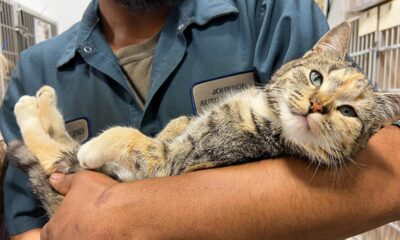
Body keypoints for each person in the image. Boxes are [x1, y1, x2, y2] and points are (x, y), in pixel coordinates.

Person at [1, 0, 400, 239]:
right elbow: (25, 227)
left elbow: (389, 166)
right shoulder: (35, 70)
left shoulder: (269, 12)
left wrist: (134, 213)